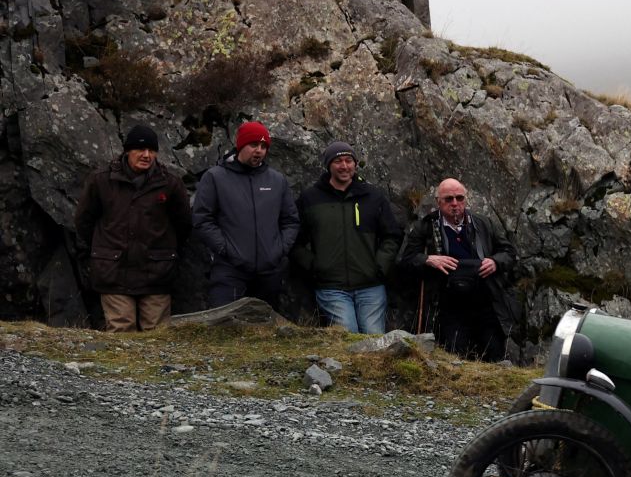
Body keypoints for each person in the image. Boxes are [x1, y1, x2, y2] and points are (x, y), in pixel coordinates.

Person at [74, 123, 191, 331]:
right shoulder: (101, 180)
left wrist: (165, 253)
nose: (147, 155)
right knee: (121, 332)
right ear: (127, 150)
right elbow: (84, 221)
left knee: (157, 336)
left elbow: (183, 224)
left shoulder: (170, 183)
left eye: (152, 150)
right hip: (114, 272)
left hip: (157, 273)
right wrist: (104, 251)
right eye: (140, 149)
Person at [399, 178, 517, 360]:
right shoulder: (426, 227)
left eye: (459, 198)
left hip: (486, 303)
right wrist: (428, 259)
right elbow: (405, 260)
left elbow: (508, 252)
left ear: (466, 199)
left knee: (494, 355)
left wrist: (495, 262)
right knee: (454, 356)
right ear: (438, 202)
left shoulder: (483, 223)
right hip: (448, 306)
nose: (455, 204)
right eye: (448, 199)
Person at [292, 141, 402, 333]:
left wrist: (380, 267)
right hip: (330, 287)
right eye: (338, 161)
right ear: (328, 165)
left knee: (374, 338)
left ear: (355, 164)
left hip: (371, 286)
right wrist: (314, 266)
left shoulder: (373, 196)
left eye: (349, 161)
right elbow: (294, 240)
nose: (344, 166)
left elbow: (392, 235)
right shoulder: (310, 198)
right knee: (347, 335)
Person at [191, 119, 298, 309]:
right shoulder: (215, 177)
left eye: (264, 146)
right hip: (230, 270)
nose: (259, 150)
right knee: (225, 328)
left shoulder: (277, 180)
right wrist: (225, 249)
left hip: (269, 271)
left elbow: (290, 221)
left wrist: (279, 250)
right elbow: (202, 219)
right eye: (254, 144)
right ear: (240, 145)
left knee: (264, 333)